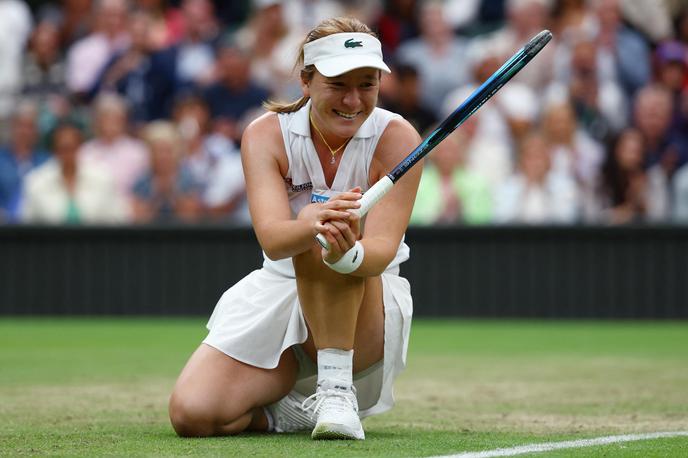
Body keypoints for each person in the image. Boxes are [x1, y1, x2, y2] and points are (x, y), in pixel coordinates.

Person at [168, 17, 422, 441]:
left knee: (324, 235)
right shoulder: (265, 134)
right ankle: (287, 416)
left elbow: (381, 248)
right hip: (279, 294)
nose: (354, 99)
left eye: (367, 84)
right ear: (306, 81)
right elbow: (272, 237)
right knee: (193, 415)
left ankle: (336, 390)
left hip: (363, 308)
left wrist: (347, 252)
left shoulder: (398, 137)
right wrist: (310, 222)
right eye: (338, 84)